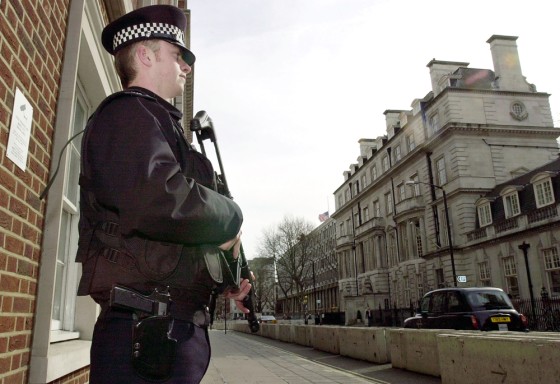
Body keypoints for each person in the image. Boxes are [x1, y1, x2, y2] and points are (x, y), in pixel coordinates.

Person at [75, 5, 251, 384]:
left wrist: (228, 279)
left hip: (168, 333)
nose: (187, 66)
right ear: (145, 55)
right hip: (145, 335)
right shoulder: (127, 115)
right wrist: (231, 217)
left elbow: (174, 242)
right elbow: (158, 199)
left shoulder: (156, 125)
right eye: (178, 54)